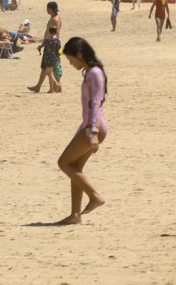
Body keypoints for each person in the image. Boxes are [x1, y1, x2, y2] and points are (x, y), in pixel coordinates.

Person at [55, 37, 108, 225]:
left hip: (94, 126)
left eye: (71, 59)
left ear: (79, 54)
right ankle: (75, 215)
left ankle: (94, 196)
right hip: (90, 125)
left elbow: (95, 103)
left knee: (63, 162)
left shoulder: (94, 73)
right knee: (75, 168)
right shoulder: (91, 72)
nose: (70, 64)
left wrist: (92, 133)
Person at [29, 2, 63, 94]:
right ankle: (38, 86)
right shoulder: (55, 18)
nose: (46, 10)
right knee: (45, 67)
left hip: (51, 46)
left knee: (49, 68)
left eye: (47, 8)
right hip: (50, 44)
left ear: (50, 9)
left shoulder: (55, 19)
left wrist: (51, 45)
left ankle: (57, 86)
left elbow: (57, 33)